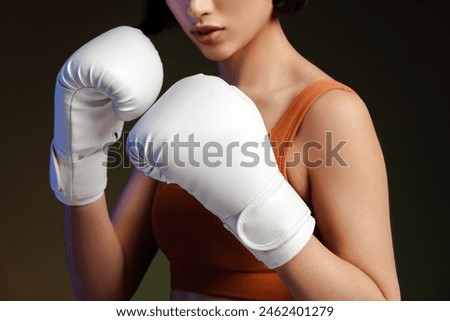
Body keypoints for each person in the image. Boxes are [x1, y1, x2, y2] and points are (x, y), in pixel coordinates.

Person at [51, 0, 401, 300]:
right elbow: (104, 294)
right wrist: (80, 156)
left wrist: (264, 210)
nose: (196, 8)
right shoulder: (184, 113)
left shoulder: (330, 113)